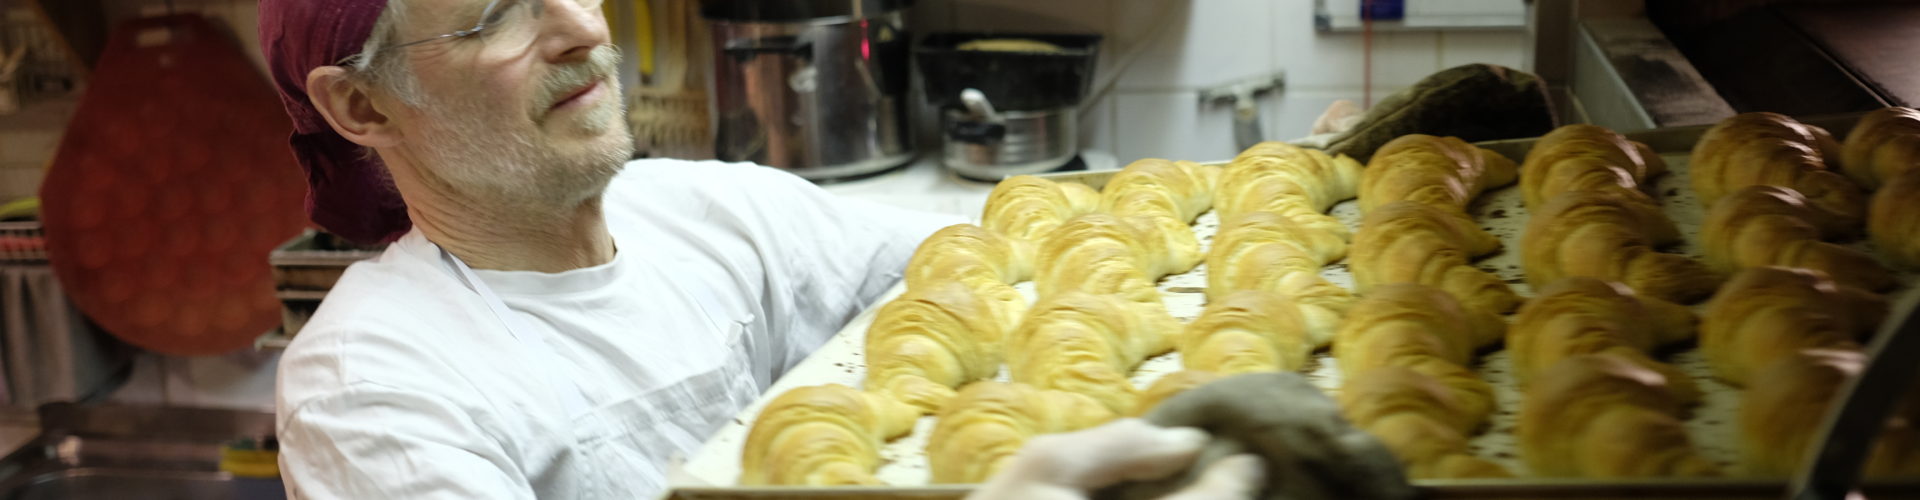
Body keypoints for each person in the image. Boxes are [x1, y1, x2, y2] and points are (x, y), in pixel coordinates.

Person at [259, 0, 961, 497]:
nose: (584, 26)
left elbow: (990, 266)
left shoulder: (718, 212)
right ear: (364, 107)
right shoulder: (369, 391)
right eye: (498, 14)